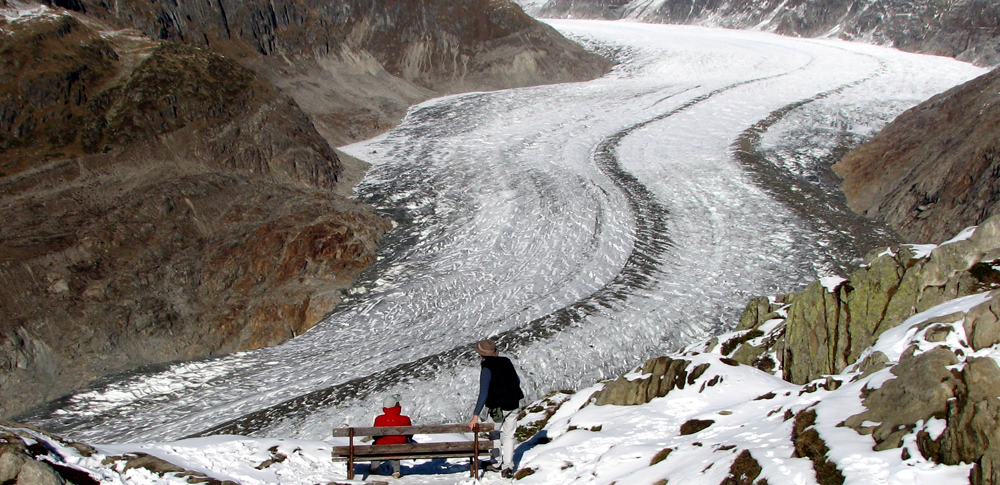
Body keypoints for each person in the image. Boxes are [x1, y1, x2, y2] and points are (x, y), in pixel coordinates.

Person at [467, 338, 524, 479]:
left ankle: (496, 462)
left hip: (498, 408)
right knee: (509, 436)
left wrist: (475, 415)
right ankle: (508, 466)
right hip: (513, 404)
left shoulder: (487, 368)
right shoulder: (506, 361)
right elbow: (517, 380)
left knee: (494, 434)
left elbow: (484, 392)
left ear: (482, 354)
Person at [370, 394, 411, 479]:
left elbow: (375, 435)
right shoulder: (405, 419)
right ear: (396, 406)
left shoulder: (379, 419)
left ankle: (374, 468)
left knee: (376, 446)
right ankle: (396, 470)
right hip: (401, 447)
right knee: (395, 445)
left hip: (381, 447)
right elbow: (410, 434)